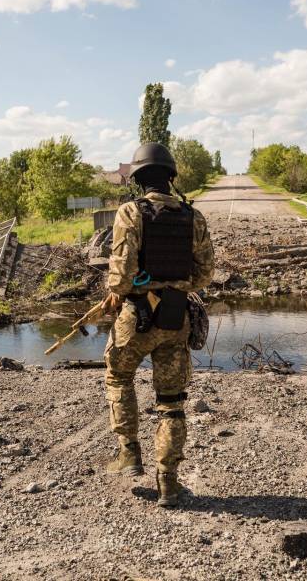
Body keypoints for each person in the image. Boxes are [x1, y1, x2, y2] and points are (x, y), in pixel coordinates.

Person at [102, 142, 214, 507]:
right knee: (171, 402)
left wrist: (119, 291)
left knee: (119, 377)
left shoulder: (130, 213)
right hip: (175, 318)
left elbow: (121, 277)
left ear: (137, 179)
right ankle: (169, 482)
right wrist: (174, 285)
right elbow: (204, 275)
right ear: (170, 176)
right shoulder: (194, 216)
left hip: (135, 318)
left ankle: (128, 454)